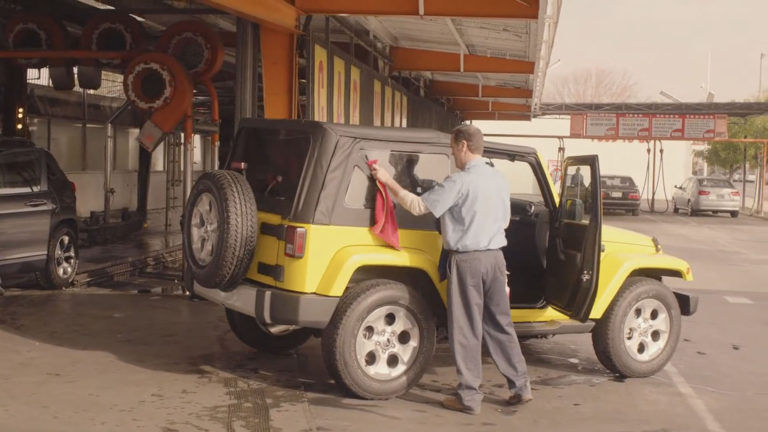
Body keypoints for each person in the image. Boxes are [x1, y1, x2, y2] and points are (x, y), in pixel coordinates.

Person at [369, 124, 531, 415]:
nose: (453, 153)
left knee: (466, 329)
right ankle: (520, 386)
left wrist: (388, 179)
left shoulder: (459, 182)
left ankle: (469, 397)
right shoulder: (499, 179)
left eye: (453, 148)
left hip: (467, 261)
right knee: (500, 325)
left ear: (463, 146)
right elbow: (505, 221)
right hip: (495, 259)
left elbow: (418, 206)